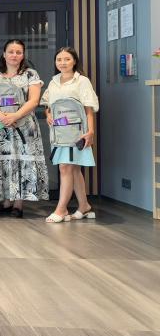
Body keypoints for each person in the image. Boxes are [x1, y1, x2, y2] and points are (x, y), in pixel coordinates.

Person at [0, 39, 49, 217]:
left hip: (24, 125)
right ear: (4, 54)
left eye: (18, 52)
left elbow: (34, 101)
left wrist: (15, 116)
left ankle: (18, 205)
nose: (14, 55)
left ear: (23, 55)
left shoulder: (30, 74)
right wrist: (2, 117)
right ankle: (6, 202)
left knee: (21, 161)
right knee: (3, 162)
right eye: (11, 51)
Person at [41, 47, 99, 223]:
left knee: (65, 167)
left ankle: (61, 209)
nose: (63, 63)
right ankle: (84, 206)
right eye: (59, 59)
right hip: (59, 133)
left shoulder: (82, 81)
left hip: (76, 132)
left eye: (67, 59)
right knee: (73, 169)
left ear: (74, 61)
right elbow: (47, 104)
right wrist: (48, 114)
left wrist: (90, 131)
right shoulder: (53, 82)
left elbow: (89, 108)